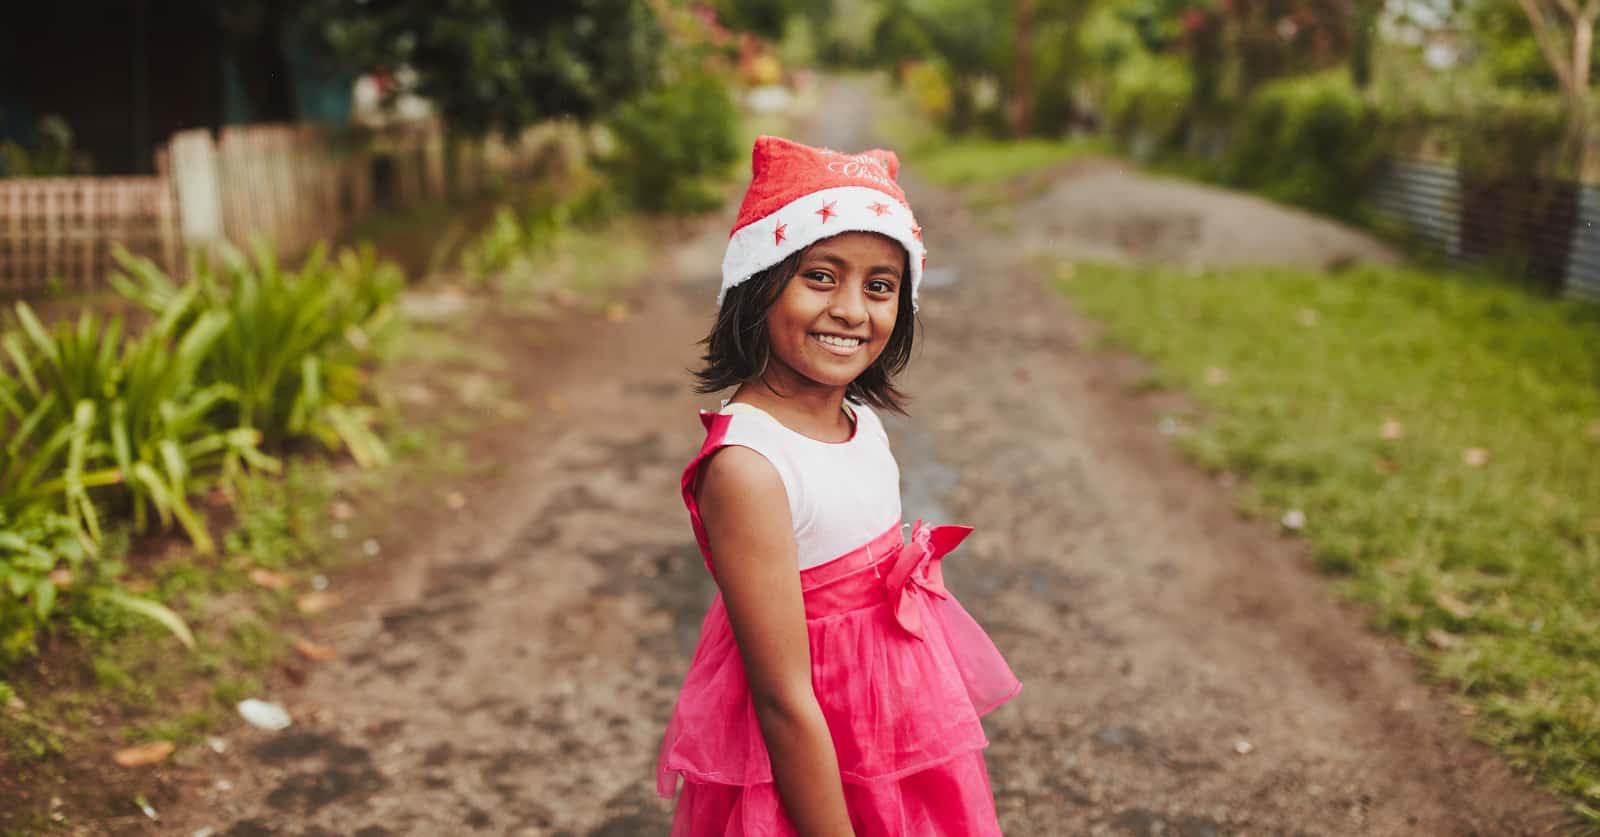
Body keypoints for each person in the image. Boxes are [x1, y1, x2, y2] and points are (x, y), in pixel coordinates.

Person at [657, 135, 1021, 836]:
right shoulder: (749, 465)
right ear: (760, 281)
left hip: (893, 730)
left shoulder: (859, 419)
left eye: (879, 286)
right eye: (821, 276)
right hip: (814, 763)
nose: (853, 310)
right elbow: (784, 699)